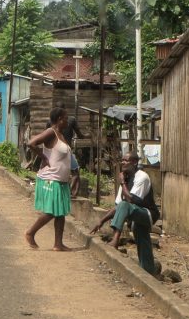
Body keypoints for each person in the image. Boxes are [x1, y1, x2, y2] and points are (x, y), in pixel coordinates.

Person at [90, 152, 160, 274]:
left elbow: (131, 200)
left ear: (134, 163)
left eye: (126, 160)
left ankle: (115, 239)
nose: (123, 162)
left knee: (125, 205)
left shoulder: (142, 177)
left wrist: (122, 182)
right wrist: (101, 221)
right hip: (136, 214)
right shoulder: (126, 179)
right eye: (122, 160)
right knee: (142, 239)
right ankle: (149, 271)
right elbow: (118, 207)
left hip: (148, 214)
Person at [24, 107, 78, 251]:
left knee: (60, 213)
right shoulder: (51, 132)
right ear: (60, 119)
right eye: (66, 118)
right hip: (51, 178)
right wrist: (43, 157)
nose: (68, 121)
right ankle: (30, 233)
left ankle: (58, 244)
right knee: (52, 212)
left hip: (60, 180)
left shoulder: (61, 134)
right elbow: (31, 143)